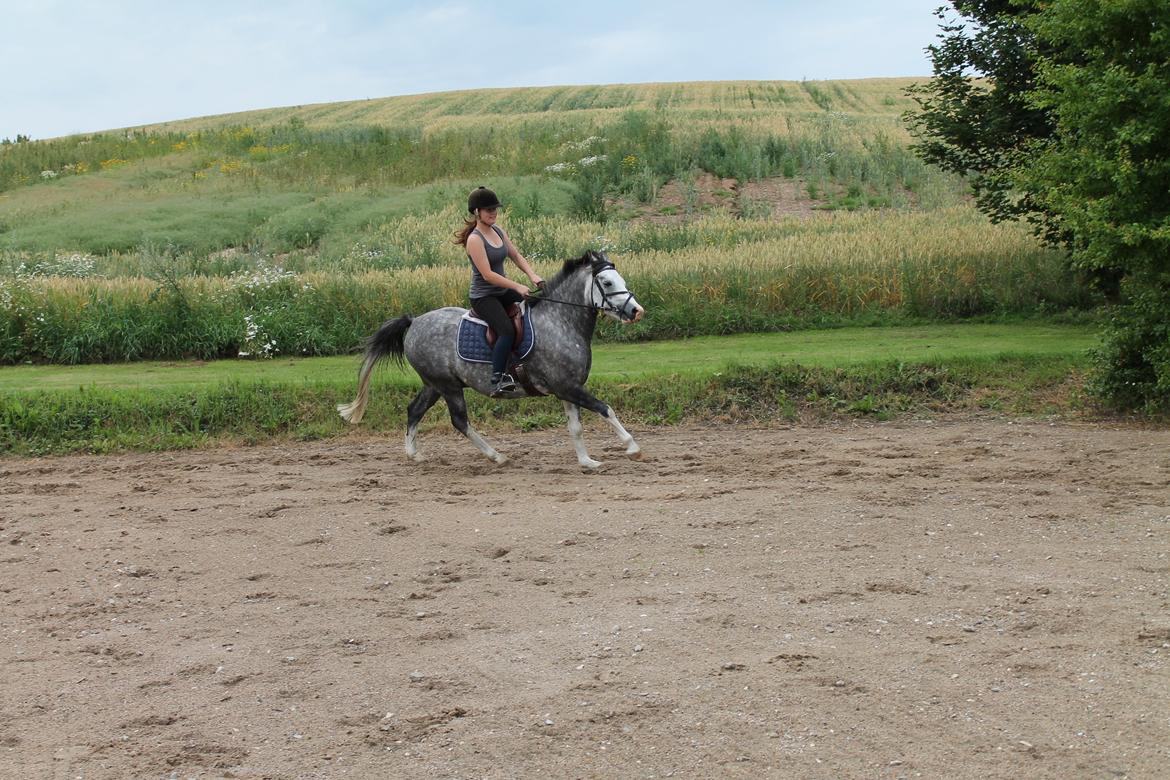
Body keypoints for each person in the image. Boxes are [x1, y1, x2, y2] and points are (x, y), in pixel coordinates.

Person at [455, 186, 544, 396]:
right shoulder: (475, 239)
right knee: (506, 330)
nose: (493, 212)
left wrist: (533, 275)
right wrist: (516, 286)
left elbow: (516, 256)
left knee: (536, 302)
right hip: (484, 296)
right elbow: (487, 275)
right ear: (477, 212)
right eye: (489, 209)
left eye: (495, 208)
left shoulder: (498, 231)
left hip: (501, 291)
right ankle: (499, 378)